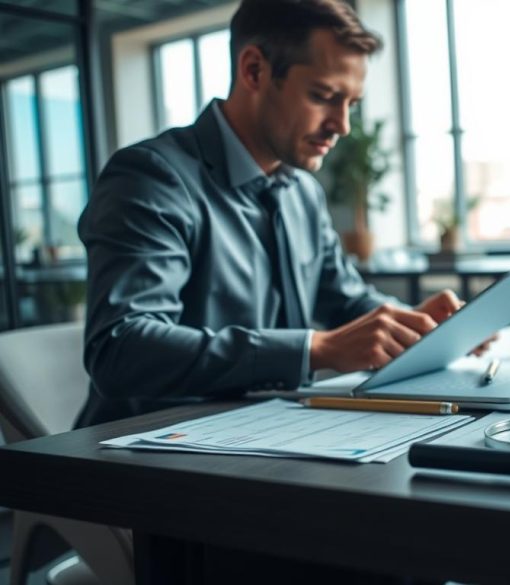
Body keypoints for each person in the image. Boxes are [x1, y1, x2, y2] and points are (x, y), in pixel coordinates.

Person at [76, 0, 471, 428]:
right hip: (149, 446)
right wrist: (312, 349)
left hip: (266, 431)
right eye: (323, 96)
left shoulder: (301, 190)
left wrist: (414, 325)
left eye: (351, 104)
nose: (342, 126)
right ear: (254, 71)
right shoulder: (152, 178)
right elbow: (121, 349)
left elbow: (346, 301)